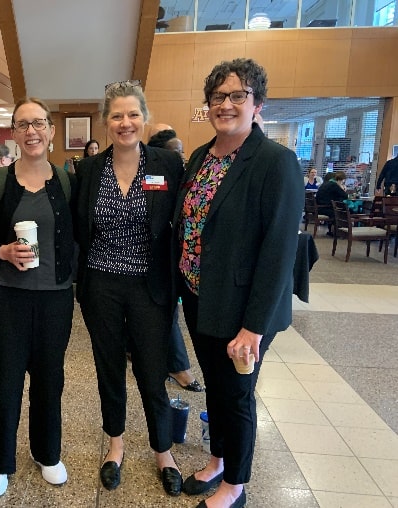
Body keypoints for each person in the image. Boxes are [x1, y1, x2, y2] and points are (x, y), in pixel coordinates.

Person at [173, 58, 301, 508]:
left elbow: (278, 254)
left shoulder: (275, 162)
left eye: (237, 96)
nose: (226, 104)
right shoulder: (201, 157)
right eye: (217, 97)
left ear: (257, 103)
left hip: (244, 310)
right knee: (216, 385)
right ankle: (219, 459)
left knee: (239, 394)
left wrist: (254, 326)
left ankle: (235, 485)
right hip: (199, 298)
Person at [75, 80, 185, 496]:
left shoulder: (167, 165)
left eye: (133, 114)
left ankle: (164, 451)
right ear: (106, 122)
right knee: (108, 368)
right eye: (117, 116)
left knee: (152, 370)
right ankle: (115, 446)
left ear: (145, 117)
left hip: (149, 285)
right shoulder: (88, 170)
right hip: (100, 283)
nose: (126, 123)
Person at [0, 97, 76, 497]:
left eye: (38, 123)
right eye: (22, 124)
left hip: (55, 298)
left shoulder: (68, 181)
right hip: (6, 299)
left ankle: (47, 453)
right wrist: (0, 251)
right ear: (14, 133)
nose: (31, 131)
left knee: (50, 380)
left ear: (51, 131)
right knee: (4, 381)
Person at [146, 131, 201, 392]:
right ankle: (178, 367)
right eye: (176, 150)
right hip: (150, 259)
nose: (182, 155)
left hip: (179, 258)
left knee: (169, 313)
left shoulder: (187, 175)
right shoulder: (150, 174)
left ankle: (177, 365)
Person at [316, 170, 348, 235]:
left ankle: (333, 231)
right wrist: (343, 188)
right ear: (340, 180)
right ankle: (338, 232)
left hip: (319, 208)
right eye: (342, 182)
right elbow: (345, 196)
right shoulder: (334, 185)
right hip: (325, 209)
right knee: (342, 212)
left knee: (338, 210)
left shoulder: (325, 183)